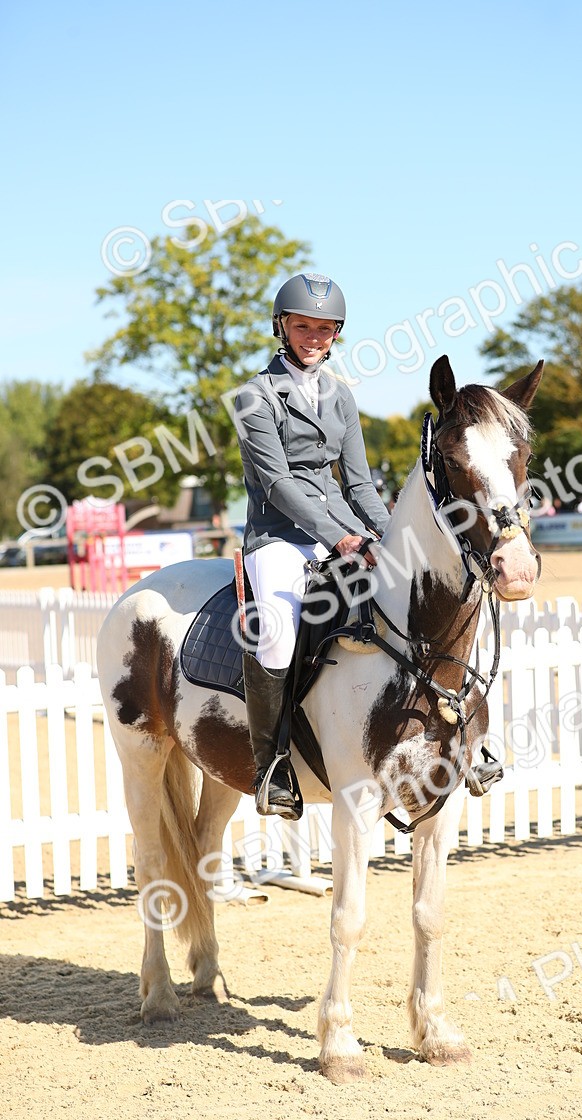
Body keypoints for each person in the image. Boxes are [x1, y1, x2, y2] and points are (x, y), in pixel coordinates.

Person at [234, 273, 391, 819]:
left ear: (336, 334)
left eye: (324, 329)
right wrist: (339, 537)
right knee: (277, 634)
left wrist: (388, 536)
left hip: (343, 525)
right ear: (283, 326)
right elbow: (276, 484)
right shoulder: (253, 397)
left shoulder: (340, 395)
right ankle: (272, 765)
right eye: (303, 326)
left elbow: (360, 483)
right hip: (279, 535)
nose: (313, 337)